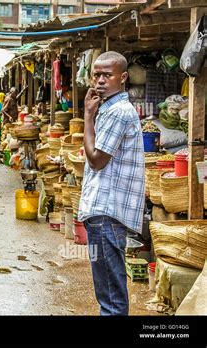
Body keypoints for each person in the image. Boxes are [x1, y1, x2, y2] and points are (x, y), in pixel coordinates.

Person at [78, 51, 145, 316]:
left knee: (111, 299)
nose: (101, 81)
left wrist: (87, 116)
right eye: (97, 75)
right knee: (108, 292)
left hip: (106, 213)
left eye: (108, 75)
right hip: (104, 214)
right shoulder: (110, 109)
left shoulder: (117, 112)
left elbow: (96, 160)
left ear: (123, 77)